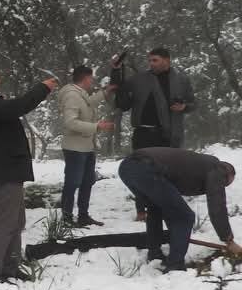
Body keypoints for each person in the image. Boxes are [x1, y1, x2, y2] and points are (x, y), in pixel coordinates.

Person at [0, 64, 57, 283]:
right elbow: (17, 107)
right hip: (2, 171)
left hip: (8, 170)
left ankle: (10, 268)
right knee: (5, 223)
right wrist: (42, 89)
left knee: (16, 222)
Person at [117, 148, 242, 271]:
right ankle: (175, 265)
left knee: (155, 208)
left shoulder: (199, 165)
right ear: (228, 174)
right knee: (185, 217)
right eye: (224, 184)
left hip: (127, 168)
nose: (222, 186)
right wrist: (228, 240)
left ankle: (154, 254)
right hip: (147, 168)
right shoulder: (217, 169)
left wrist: (141, 210)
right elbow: (217, 207)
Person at [112, 47, 196, 219]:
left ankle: (166, 207)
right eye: (149, 60)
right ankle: (141, 210)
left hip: (168, 134)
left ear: (167, 60)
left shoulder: (181, 80)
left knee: (166, 173)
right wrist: (116, 70)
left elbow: (193, 103)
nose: (151, 64)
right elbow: (120, 94)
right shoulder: (139, 79)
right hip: (143, 133)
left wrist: (184, 107)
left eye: (155, 60)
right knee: (140, 171)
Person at [58, 66, 115, 227]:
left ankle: (83, 216)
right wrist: (97, 127)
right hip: (75, 148)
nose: (93, 81)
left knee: (87, 181)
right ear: (86, 79)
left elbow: (89, 103)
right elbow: (70, 122)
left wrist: (104, 92)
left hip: (86, 146)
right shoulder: (71, 96)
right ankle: (67, 219)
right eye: (91, 79)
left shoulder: (79, 94)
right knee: (73, 182)